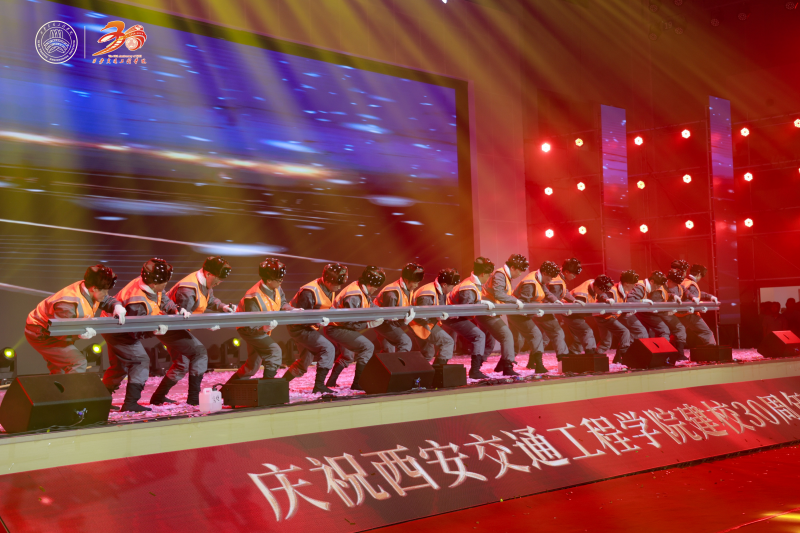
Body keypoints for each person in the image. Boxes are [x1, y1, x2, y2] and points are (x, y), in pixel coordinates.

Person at [101, 259, 191, 412]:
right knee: (140, 361)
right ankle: (130, 403)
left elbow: (163, 299)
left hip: (115, 325)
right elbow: (135, 332)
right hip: (118, 330)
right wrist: (155, 330)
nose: (166, 285)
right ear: (154, 284)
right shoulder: (137, 302)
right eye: (165, 282)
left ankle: (100, 400)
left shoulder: (148, 283)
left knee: (118, 367)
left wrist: (176, 309)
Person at [149, 256, 235, 406]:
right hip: (168, 326)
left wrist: (223, 307)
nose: (219, 282)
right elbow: (182, 318)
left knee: (181, 363)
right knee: (199, 353)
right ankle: (194, 398)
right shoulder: (188, 289)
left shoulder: (204, 282)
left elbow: (209, 299)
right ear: (208, 274)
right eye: (218, 279)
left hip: (174, 325)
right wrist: (206, 324)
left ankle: (158, 397)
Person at [26, 264, 126, 374]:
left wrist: (116, 306)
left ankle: (58, 384)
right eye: (105, 291)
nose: (107, 294)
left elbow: (105, 299)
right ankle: (72, 386)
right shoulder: (68, 305)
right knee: (77, 363)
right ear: (94, 288)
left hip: (54, 330)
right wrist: (79, 334)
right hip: (41, 333)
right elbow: (59, 333)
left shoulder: (90, 289)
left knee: (59, 370)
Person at [283, 263, 349, 394]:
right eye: (336, 284)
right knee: (328, 348)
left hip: (309, 326)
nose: (339, 287)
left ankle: (280, 384)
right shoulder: (309, 292)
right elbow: (303, 318)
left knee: (304, 362)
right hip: (299, 327)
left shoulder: (329, 288)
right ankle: (319, 385)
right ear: (327, 280)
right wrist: (318, 320)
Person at [230, 258, 296, 382]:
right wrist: (264, 328)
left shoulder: (276, 287)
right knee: (274, 351)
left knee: (252, 366)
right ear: (269, 280)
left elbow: (282, 303)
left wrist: (292, 309)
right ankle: (268, 387)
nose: (281, 282)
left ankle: (227, 389)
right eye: (279, 280)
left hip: (261, 328)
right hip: (249, 330)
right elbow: (251, 327)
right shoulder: (253, 297)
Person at [325, 266, 387, 391]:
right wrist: (369, 324)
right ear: (372, 284)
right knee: (367, 347)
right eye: (376, 287)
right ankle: (358, 383)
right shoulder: (354, 295)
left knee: (347, 355)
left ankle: (331, 382)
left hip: (338, 326)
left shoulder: (360, 288)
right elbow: (349, 323)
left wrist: (385, 313)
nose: (376, 289)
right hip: (336, 327)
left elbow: (370, 305)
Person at [443, 257, 495, 379]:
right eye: (488, 275)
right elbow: (466, 310)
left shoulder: (473, 283)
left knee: (487, 336)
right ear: (483, 274)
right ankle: (475, 370)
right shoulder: (468, 287)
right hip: (452, 317)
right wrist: (483, 305)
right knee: (479, 336)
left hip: (455, 315)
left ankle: (477, 366)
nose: (489, 278)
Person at [482, 254, 528, 376]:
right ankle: (507, 366)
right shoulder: (500, 275)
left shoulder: (505, 276)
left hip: (490, 312)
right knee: (506, 336)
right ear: (512, 268)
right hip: (487, 312)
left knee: (489, 342)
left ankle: (500, 365)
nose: (520, 274)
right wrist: (515, 301)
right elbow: (498, 294)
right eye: (519, 270)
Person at [571, 275, 631, 363]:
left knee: (605, 343)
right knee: (624, 332)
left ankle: (594, 356)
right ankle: (621, 357)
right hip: (574, 313)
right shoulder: (582, 294)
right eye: (603, 290)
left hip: (603, 316)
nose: (605, 292)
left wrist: (606, 299)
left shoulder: (595, 284)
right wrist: (598, 312)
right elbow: (581, 311)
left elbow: (601, 294)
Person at [522, 261, 571, 368]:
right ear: (544, 273)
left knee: (544, 337)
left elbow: (547, 292)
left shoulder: (538, 277)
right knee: (557, 333)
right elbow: (525, 301)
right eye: (549, 278)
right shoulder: (532, 281)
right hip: (540, 311)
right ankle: (564, 360)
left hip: (539, 310)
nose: (550, 281)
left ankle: (533, 362)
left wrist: (556, 301)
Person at [409, 268, 459, 366]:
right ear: (444, 285)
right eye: (452, 286)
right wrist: (437, 317)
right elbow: (421, 316)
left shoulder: (438, 290)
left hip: (423, 324)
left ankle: (417, 373)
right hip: (420, 325)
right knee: (447, 342)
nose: (452, 289)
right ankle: (438, 371)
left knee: (427, 354)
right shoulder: (428, 293)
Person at [373, 263, 424, 353]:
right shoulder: (392, 294)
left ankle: (388, 361)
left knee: (388, 351)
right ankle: (399, 362)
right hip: (380, 321)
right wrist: (404, 322)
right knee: (405, 342)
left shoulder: (408, 288)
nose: (417, 285)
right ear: (406, 280)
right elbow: (388, 320)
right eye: (415, 282)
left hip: (386, 320)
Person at [550, 258, 594, 355]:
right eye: (573, 274)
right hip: (546, 312)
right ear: (566, 272)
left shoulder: (559, 278)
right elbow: (553, 300)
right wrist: (563, 310)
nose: (574, 277)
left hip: (551, 311)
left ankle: (567, 356)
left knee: (549, 336)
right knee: (551, 335)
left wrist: (573, 300)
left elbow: (564, 292)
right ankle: (563, 358)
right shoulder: (556, 282)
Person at [677, 264, 718, 346]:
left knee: (678, 335)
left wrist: (709, 296)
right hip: (689, 315)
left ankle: (674, 352)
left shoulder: (685, 281)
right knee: (707, 333)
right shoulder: (692, 284)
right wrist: (700, 308)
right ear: (699, 274)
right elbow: (692, 299)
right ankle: (713, 351)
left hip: (679, 314)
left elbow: (694, 293)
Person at [627, 271, 672, 341]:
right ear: (651, 282)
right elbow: (630, 301)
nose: (657, 288)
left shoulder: (646, 287)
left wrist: (673, 296)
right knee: (642, 333)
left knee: (663, 330)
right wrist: (642, 301)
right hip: (628, 313)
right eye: (657, 286)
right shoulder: (640, 287)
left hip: (638, 312)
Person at [616, 270, 650, 345]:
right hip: (609, 317)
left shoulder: (625, 290)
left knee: (628, 335)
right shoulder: (614, 290)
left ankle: (626, 351)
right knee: (607, 341)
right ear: (626, 283)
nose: (635, 286)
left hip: (621, 315)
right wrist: (641, 301)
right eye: (633, 284)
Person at [664, 268, 690, 360]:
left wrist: (693, 298)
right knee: (663, 331)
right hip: (659, 313)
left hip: (669, 313)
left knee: (680, 328)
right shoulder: (661, 285)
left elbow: (687, 292)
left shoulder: (679, 287)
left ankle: (679, 354)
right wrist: (672, 295)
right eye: (675, 283)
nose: (676, 286)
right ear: (670, 280)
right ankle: (663, 355)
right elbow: (659, 294)